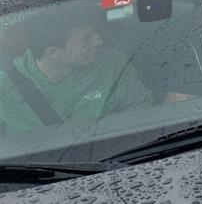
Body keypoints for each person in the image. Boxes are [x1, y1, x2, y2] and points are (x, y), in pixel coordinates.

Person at [0, 7, 152, 134]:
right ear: (53, 53)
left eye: (95, 33)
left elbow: (141, 112)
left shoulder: (112, 63)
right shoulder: (5, 88)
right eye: (87, 39)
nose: (99, 41)